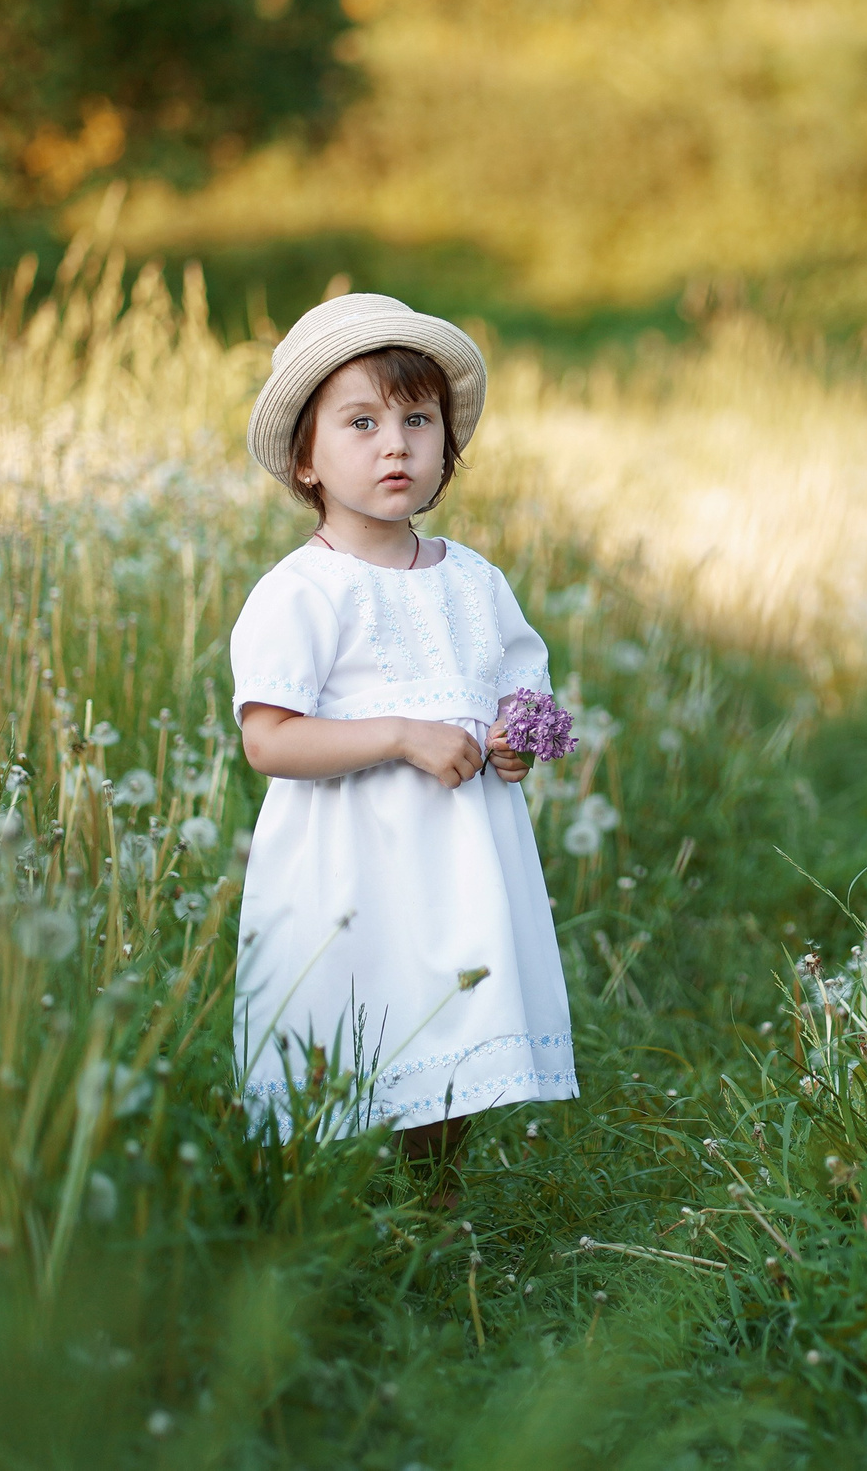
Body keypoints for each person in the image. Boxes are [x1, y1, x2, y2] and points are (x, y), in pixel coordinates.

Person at [229, 293, 577, 1202]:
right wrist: (396, 734)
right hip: (350, 864)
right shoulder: (301, 590)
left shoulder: (474, 579)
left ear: (445, 447)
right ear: (307, 459)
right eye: (361, 422)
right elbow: (267, 739)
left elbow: (522, 676)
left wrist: (515, 736)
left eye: (417, 420)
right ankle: (322, 1206)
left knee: (451, 1011)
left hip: (456, 858)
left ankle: (437, 1197)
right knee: (355, 1010)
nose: (396, 444)